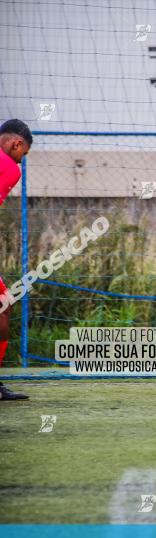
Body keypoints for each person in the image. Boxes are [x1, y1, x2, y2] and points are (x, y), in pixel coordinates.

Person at [0, 119, 33, 400]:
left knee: (4, 305)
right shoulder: (9, 168)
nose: (22, 162)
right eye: (24, 154)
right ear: (16, 144)